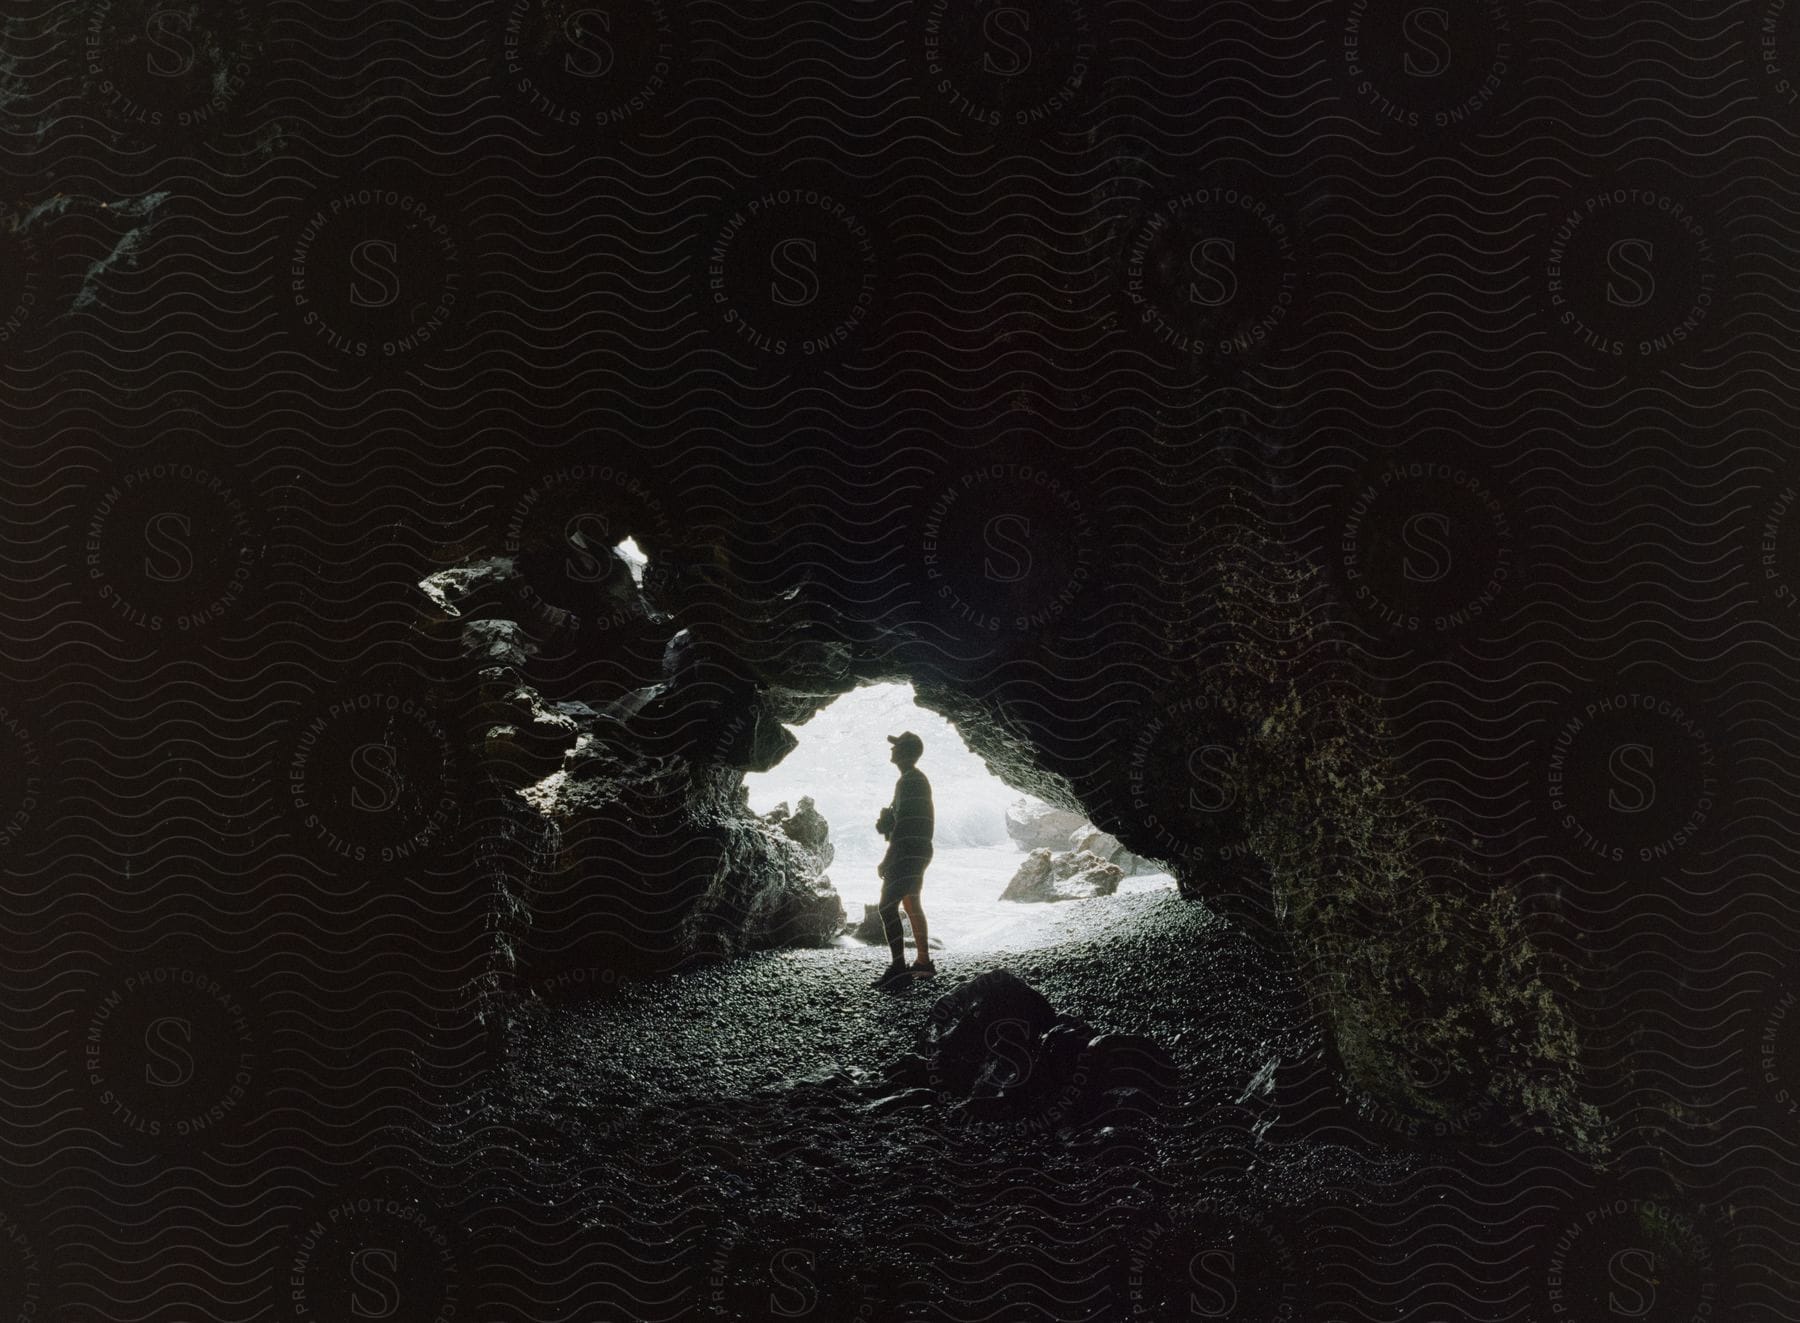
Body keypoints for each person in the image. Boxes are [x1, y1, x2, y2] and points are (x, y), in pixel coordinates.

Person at [872, 730, 935, 987]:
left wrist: (888, 858)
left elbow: (906, 825)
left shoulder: (909, 781)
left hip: (908, 852)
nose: (892, 749)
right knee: (910, 904)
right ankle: (923, 962)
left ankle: (899, 969)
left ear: (906, 753)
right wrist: (886, 823)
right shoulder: (915, 779)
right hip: (919, 850)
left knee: (887, 907)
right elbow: (908, 821)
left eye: (897, 746)